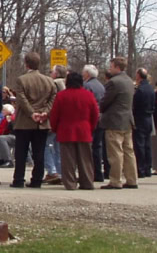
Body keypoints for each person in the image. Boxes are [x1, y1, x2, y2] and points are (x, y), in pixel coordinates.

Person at [11, 51, 58, 188]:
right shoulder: (49, 81)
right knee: (39, 152)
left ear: (26, 64)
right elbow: (53, 99)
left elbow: (22, 99)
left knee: (21, 152)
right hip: (42, 123)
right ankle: (37, 179)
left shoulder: (22, 80)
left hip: (24, 122)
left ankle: (19, 179)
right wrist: (45, 113)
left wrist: (32, 113)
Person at [49, 71, 100, 190]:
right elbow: (95, 114)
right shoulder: (88, 95)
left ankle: (70, 183)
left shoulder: (61, 96)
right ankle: (87, 182)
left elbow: (54, 115)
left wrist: (55, 128)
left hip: (65, 130)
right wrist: (91, 127)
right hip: (84, 130)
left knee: (68, 160)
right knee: (85, 159)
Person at [99, 57, 139, 190]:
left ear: (117, 67)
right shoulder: (129, 81)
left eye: (111, 66)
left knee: (115, 152)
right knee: (129, 151)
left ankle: (115, 180)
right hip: (127, 120)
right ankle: (132, 179)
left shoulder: (114, 82)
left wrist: (100, 108)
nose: (109, 68)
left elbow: (105, 102)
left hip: (114, 121)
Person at [83, 64, 109, 182]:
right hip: (101, 119)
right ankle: (98, 172)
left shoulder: (87, 86)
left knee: (89, 147)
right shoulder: (101, 86)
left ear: (87, 74)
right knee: (98, 147)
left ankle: (91, 172)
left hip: (91, 119)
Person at [44, 65, 68, 184]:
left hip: (53, 120)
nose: (50, 73)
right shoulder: (67, 85)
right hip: (63, 121)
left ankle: (52, 171)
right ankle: (61, 172)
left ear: (57, 73)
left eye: (51, 72)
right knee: (59, 148)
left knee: (46, 146)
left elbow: (50, 102)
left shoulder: (54, 84)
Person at [132, 68, 155, 178]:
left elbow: (135, 105)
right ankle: (148, 168)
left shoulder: (140, 89)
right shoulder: (150, 88)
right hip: (149, 118)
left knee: (139, 145)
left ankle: (140, 168)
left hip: (140, 118)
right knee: (147, 144)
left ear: (138, 76)